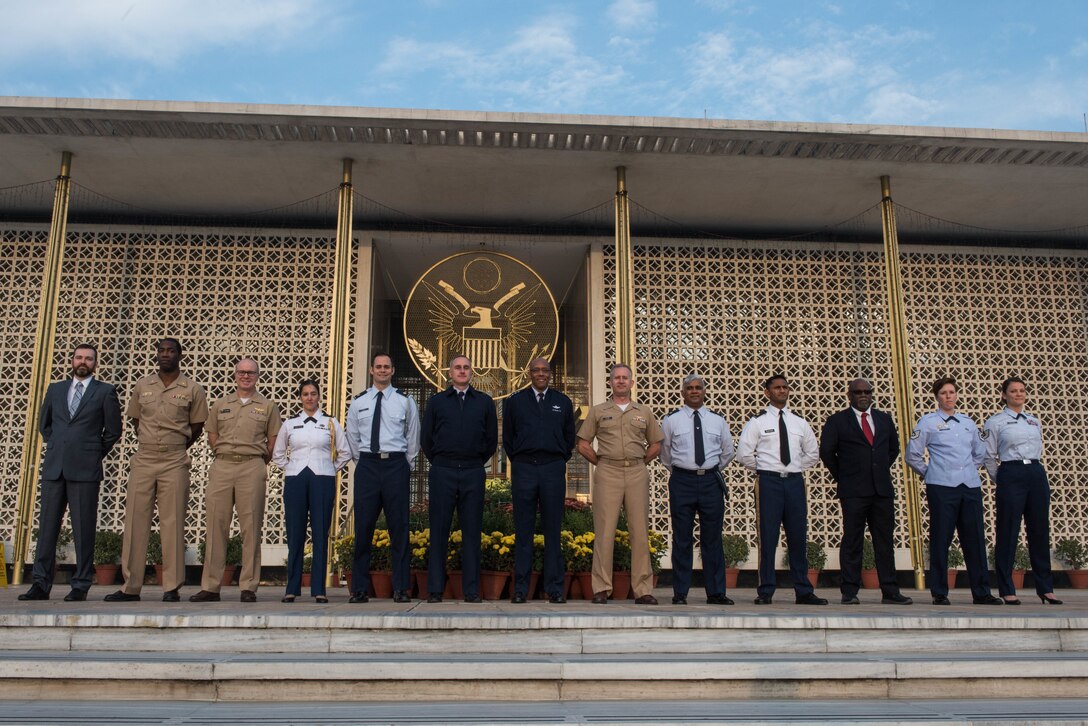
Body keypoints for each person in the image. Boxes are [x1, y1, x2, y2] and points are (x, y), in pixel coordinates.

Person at [105, 338, 207, 603]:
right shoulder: (143, 385)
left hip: (174, 460)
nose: (165, 355)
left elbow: (196, 426)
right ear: (156, 354)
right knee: (135, 521)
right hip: (145, 458)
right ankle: (130, 586)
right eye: (161, 350)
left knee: (172, 522)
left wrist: (176, 443)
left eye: (171, 351)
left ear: (180, 355)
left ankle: (171, 587)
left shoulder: (193, 388)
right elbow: (137, 420)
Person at [20, 344, 122, 602]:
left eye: (88, 358)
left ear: (95, 364)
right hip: (55, 468)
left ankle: (80, 584)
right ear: (72, 360)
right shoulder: (55, 390)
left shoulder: (105, 392)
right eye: (79, 357)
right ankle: (41, 584)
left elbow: (113, 431)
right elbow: (45, 424)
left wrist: (91, 452)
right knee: (47, 528)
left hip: (85, 470)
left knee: (83, 528)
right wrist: (58, 446)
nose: (83, 362)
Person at [190, 358, 282, 603]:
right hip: (222, 465)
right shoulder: (221, 404)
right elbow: (212, 434)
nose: (246, 376)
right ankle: (211, 586)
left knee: (250, 528)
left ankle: (248, 586)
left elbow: (273, 439)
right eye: (241, 372)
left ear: (257, 376)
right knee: (215, 526)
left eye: (251, 372)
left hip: (252, 466)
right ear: (234, 375)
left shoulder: (267, 406)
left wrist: (260, 461)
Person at [907, 376, 1002, 606]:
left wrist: (967, 470)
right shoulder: (928, 422)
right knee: (941, 539)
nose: (948, 396)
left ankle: (981, 592)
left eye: (951, 392)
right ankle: (939, 592)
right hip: (941, 487)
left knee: (975, 540)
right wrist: (930, 473)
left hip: (969, 486)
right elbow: (913, 455)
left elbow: (979, 453)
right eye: (943, 393)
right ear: (937, 397)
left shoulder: (967, 422)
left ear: (956, 394)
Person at [819, 378, 912, 606]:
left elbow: (893, 449)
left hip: (881, 490)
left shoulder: (883, 419)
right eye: (858, 392)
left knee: (884, 542)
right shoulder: (837, 421)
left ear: (872, 394)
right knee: (852, 540)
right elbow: (827, 453)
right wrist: (845, 476)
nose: (863, 395)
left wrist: (876, 471)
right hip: (853, 491)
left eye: (867, 391)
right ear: (849, 395)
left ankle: (890, 591)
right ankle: (849, 591)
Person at [576, 363, 663, 605]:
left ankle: (643, 589)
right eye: (617, 378)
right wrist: (602, 463)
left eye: (625, 378)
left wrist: (639, 462)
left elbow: (656, 443)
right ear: (611, 382)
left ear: (632, 383)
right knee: (604, 532)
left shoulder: (643, 412)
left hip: (636, 472)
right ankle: (601, 588)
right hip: (608, 472)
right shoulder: (598, 411)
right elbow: (583, 443)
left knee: (639, 532)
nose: (621, 381)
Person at [737, 374, 827, 606]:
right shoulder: (758, 422)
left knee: (798, 536)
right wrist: (766, 469)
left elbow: (812, 453)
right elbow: (744, 454)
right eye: (777, 388)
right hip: (769, 483)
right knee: (768, 536)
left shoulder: (799, 422)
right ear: (767, 393)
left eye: (785, 387)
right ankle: (766, 590)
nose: (782, 391)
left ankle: (804, 590)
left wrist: (794, 468)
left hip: (795, 482)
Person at [345, 353, 420, 604]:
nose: (382, 370)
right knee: (363, 528)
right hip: (368, 465)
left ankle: (400, 588)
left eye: (387, 367)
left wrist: (404, 463)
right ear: (371, 370)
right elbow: (352, 437)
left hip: (396, 465)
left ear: (393, 370)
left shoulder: (404, 401)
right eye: (378, 366)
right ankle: (359, 589)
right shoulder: (359, 402)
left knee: (399, 528)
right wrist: (364, 461)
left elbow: (413, 437)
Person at [421, 355, 497, 603]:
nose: (462, 371)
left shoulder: (485, 403)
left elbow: (490, 441)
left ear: (471, 372)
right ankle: (435, 590)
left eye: (466, 368)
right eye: (457, 368)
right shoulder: (437, 402)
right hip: (443, 469)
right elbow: (426, 440)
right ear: (450, 372)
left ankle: (472, 590)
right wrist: (443, 460)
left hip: (474, 470)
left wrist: (473, 460)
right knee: (439, 530)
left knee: (472, 532)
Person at [502, 356, 576, 604]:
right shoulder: (515, 402)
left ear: (550, 373)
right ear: (529, 373)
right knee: (523, 531)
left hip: (553, 469)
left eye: (545, 370)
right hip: (524, 468)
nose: (541, 374)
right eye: (536, 370)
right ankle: (521, 589)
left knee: (553, 531)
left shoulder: (562, 402)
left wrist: (556, 458)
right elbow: (509, 438)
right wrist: (523, 459)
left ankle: (554, 589)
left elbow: (569, 439)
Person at [984, 376, 1061, 605]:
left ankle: (1045, 588)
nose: (1018, 394)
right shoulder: (995, 421)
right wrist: (1003, 479)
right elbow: (989, 456)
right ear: (1004, 395)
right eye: (1013, 391)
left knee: (1039, 530)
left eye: (1021, 390)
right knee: (1008, 531)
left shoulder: (1033, 420)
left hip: (1035, 473)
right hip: (1011, 472)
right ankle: (1007, 588)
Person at [272, 379, 350, 603]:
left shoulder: (330, 422)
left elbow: (344, 452)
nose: (309, 397)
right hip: (296, 478)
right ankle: (292, 588)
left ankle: (319, 589)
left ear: (319, 396)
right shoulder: (290, 424)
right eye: (305, 394)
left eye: (313, 393)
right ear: (300, 397)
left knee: (320, 533)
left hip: (322, 478)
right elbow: (278, 454)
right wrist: (291, 468)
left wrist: (329, 468)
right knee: (295, 533)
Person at [659, 373, 735, 606]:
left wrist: (708, 469)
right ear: (682, 393)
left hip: (711, 481)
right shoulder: (671, 420)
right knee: (681, 538)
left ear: (704, 391)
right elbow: (665, 454)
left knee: (712, 539)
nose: (694, 391)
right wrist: (687, 469)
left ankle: (716, 593)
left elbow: (727, 452)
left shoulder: (717, 420)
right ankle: (680, 592)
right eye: (689, 388)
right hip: (682, 481)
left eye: (698, 388)